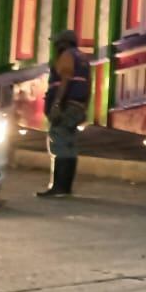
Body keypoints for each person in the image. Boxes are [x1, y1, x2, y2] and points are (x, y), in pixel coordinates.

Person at [38, 29, 91, 199]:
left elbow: (65, 80)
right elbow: (89, 85)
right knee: (69, 146)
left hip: (66, 106)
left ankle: (58, 187)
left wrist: (56, 104)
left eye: (57, 42)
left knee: (59, 143)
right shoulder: (83, 59)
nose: (55, 45)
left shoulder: (66, 56)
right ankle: (65, 187)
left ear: (63, 43)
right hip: (77, 106)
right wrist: (85, 109)